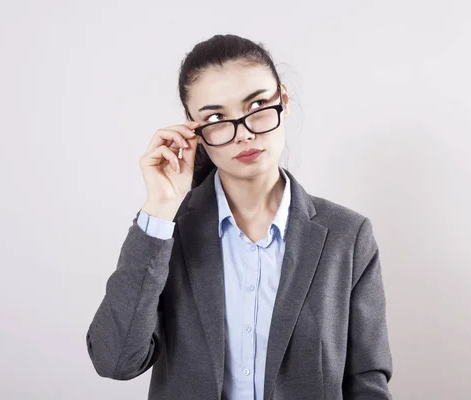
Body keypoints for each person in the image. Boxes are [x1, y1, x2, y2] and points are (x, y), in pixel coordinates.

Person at [86, 34, 393, 400]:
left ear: (284, 99)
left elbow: (365, 382)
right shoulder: (167, 231)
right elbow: (115, 361)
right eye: (216, 117)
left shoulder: (347, 236)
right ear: (192, 126)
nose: (244, 133)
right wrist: (159, 209)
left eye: (258, 104)